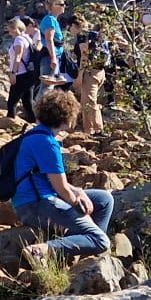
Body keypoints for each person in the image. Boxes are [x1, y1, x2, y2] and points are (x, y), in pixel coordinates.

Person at [15, 89, 113, 265]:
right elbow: (61, 189)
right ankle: (42, 249)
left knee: (104, 198)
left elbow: (57, 183)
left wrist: (79, 192)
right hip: (36, 205)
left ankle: (87, 250)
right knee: (101, 240)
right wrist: (79, 205)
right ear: (67, 118)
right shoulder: (48, 144)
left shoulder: (34, 134)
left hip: (34, 199)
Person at [4, 18, 36, 119]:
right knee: (27, 102)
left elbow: (18, 56)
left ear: (16, 28)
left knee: (12, 102)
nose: (9, 32)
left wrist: (13, 72)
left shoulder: (18, 40)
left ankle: (10, 123)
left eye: (10, 29)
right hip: (29, 74)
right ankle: (33, 121)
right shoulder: (28, 38)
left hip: (20, 74)